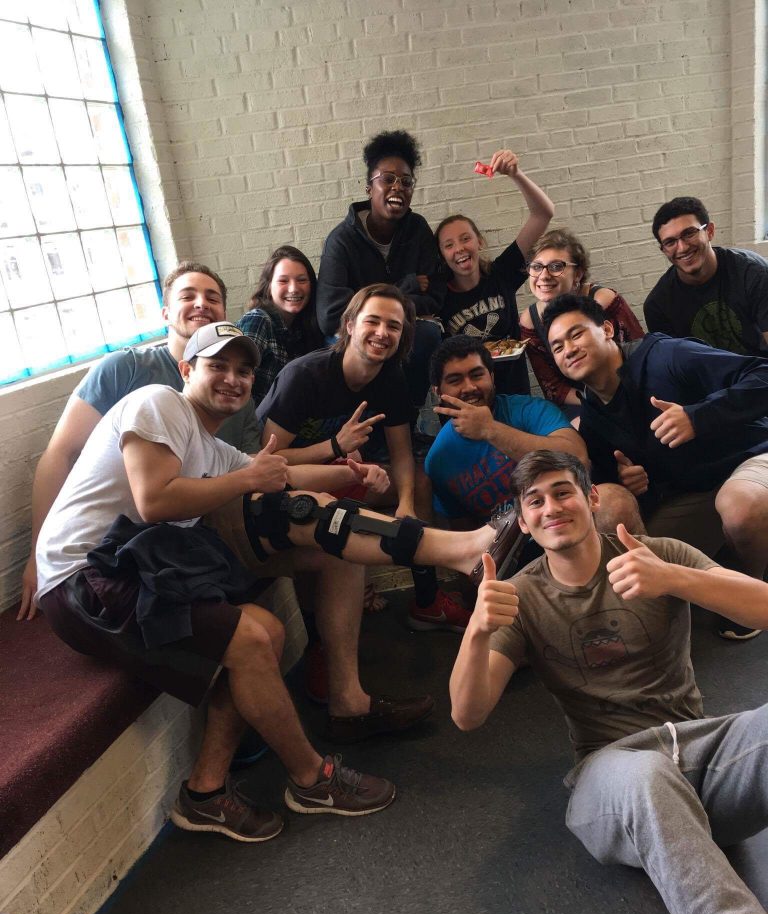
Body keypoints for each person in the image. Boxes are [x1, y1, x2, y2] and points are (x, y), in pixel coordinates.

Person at [35, 323, 514, 841]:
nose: (234, 379)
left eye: (244, 371)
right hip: (84, 583)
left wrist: (353, 474)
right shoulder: (157, 403)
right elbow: (155, 499)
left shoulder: (210, 445)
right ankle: (311, 778)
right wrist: (251, 481)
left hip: (139, 566)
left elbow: (280, 472)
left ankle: (205, 793)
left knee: (269, 625)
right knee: (251, 633)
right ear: (186, 370)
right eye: (218, 365)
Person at [450, 449, 768, 914]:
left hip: (699, 752)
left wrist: (674, 578)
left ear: (592, 499)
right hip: (612, 772)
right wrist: (476, 632)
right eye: (535, 501)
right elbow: (467, 715)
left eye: (563, 492)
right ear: (522, 522)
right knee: (647, 776)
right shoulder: (521, 597)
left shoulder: (658, 554)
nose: (552, 507)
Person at [17, 261, 259, 621]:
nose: (201, 304)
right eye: (188, 295)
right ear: (165, 312)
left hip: (181, 530)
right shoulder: (125, 370)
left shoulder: (237, 390)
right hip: (114, 544)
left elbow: (248, 463)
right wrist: (38, 553)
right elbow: (61, 454)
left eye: (212, 297)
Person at [542, 292, 768, 641]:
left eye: (576, 334)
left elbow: (762, 375)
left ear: (606, 329)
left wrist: (698, 416)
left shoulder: (664, 356)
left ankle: (750, 588)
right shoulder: (592, 419)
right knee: (623, 524)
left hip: (751, 458)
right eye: (557, 347)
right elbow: (614, 485)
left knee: (738, 508)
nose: (568, 349)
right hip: (695, 491)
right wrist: (634, 483)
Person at [258, 283, 472, 632]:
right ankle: (316, 640)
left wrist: (405, 505)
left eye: (394, 326)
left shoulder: (390, 377)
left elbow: (402, 453)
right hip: (286, 485)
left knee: (418, 481)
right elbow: (266, 459)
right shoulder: (304, 377)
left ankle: (428, 601)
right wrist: (335, 447)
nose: (382, 333)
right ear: (350, 325)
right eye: (373, 321)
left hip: (345, 471)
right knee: (331, 515)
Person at [426, 335, 643, 537]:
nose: (469, 387)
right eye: (455, 380)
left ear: (491, 377)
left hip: (568, 518)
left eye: (477, 375)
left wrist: (490, 430)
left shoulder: (529, 409)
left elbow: (577, 457)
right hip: (513, 546)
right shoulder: (438, 459)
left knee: (614, 501)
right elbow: (463, 530)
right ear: (438, 391)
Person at [316, 128, 445, 414]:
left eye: (406, 181)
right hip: (351, 335)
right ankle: (362, 425)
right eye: (387, 179)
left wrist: (387, 311)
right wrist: (403, 289)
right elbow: (329, 315)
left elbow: (435, 297)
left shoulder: (418, 230)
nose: (397, 187)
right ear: (368, 187)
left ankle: (406, 419)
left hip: (403, 330)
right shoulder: (342, 240)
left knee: (426, 334)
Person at [434, 149, 554, 396]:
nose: (459, 249)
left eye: (465, 238)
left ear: (479, 242)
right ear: (442, 256)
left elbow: (543, 214)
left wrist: (515, 174)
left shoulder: (502, 274)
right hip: (469, 402)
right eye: (449, 245)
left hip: (516, 396)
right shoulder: (437, 298)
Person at [518, 228, 643, 413]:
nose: (543, 276)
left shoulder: (603, 301)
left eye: (556, 266)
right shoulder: (529, 321)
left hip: (630, 390)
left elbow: (640, 354)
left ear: (578, 274)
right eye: (536, 266)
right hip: (580, 403)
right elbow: (554, 389)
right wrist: (593, 404)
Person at [644, 195, 768, 355]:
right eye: (670, 242)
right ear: (664, 250)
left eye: (689, 233)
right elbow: (675, 368)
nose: (681, 248)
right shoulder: (658, 305)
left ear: (709, 231)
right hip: (706, 379)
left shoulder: (753, 274)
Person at [236, 245, 323, 406]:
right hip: (254, 425)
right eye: (283, 280)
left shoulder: (303, 329)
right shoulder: (258, 320)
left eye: (302, 280)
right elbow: (236, 384)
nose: (294, 288)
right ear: (269, 287)